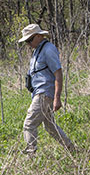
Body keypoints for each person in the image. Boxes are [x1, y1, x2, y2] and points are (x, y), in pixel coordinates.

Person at [18, 23, 75, 154]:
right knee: (50, 126)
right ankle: (71, 148)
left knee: (29, 123)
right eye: (26, 41)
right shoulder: (37, 50)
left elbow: (58, 73)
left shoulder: (48, 49)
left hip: (45, 93)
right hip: (39, 92)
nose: (28, 44)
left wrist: (57, 98)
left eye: (29, 40)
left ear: (39, 36)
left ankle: (30, 153)